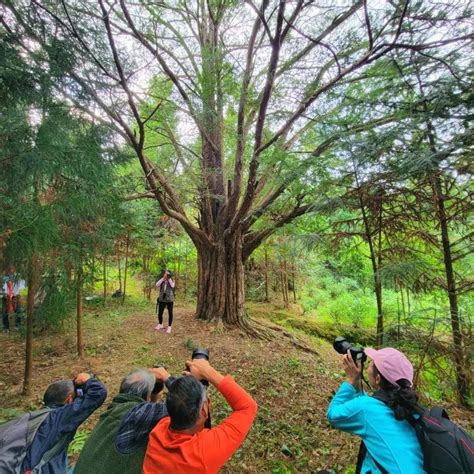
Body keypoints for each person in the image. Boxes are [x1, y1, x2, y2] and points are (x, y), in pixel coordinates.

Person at [143, 358, 258, 473]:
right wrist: (208, 372)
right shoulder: (203, 454)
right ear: (203, 409)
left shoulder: (158, 430)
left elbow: (179, 401)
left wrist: (176, 382)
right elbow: (247, 407)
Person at [327, 347, 425, 474]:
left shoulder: (367, 407)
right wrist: (357, 383)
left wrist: (351, 380)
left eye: (370, 364)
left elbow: (332, 414)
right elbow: (371, 410)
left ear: (377, 378)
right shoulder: (412, 409)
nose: (367, 367)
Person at [74, 367, 174, 474]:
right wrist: (167, 378)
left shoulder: (115, 409)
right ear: (148, 396)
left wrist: (153, 398)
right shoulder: (137, 415)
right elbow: (187, 403)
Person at [21, 372, 107, 474]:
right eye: (76, 396)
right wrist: (87, 380)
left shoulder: (38, 417)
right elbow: (98, 393)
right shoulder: (59, 417)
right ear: (69, 399)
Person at [2, 266, 26, 332]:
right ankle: (5, 327)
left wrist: (17, 298)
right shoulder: (4, 278)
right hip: (6, 295)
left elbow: (21, 289)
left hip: (16, 295)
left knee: (18, 310)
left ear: (15, 269)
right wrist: (7, 297)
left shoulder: (19, 278)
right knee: (5, 311)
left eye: (12, 269)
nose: (10, 270)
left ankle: (18, 326)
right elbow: (3, 289)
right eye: (9, 269)